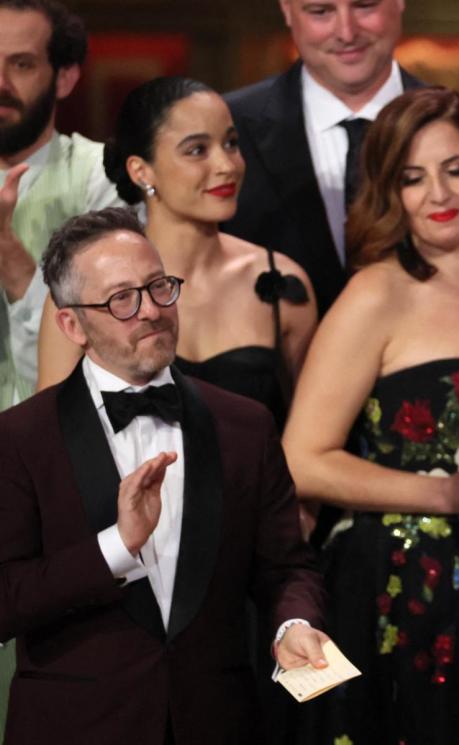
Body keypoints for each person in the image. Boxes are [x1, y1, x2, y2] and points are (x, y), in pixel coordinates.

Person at [0, 207, 330, 744]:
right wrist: (115, 547)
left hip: (218, 724)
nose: (152, 310)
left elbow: (286, 568)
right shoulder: (19, 440)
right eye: (122, 299)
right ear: (70, 324)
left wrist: (292, 625)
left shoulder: (244, 426)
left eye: (159, 287)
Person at [282, 87, 459, 745]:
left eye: (454, 168)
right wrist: (443, 492)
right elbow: (299, 459)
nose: (437, 193)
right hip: (400, 588)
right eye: (412, 177)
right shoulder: (374, 293)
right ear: (390, 190)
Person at [223, 0, 459, 320]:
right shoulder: (228, 129)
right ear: (286, 9)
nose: (347, 31)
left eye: (365, 6)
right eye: (321, 11)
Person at [35, 77, 317, 430]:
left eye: (231, 143)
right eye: (197, 150)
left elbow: (306, 442)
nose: (227, 165)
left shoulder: (284, 284)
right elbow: (46, 442)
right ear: (141, 170)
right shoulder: (83, 287)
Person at [0, 0, 123, 731]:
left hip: (58, 490)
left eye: (20, 64)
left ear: (66, 74)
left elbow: (104, 344)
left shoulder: (100, 176)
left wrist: (10, 253)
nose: (1, 83)